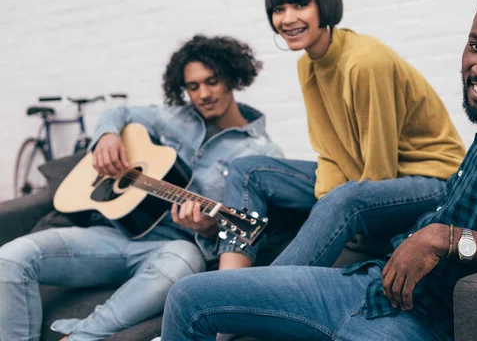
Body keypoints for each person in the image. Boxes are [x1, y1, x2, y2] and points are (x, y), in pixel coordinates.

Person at [160, 0, 477, 341]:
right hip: (369, 284)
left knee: (346, 200)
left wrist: (444, 239)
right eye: (475, 46)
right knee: (188, 297)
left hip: (419, 319)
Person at [0, 34, 283, 341]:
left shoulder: (262, 154)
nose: (203, 94)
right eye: (193, 86)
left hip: (171, 248)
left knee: (184, 260)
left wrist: (208, 231)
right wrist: (107, 136)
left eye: (212, 81)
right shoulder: (174, 118)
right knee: (11, 259)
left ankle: (82, 335)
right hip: (109, 233)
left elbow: (240, 236)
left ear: (231, 77)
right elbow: (117, 113)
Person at [217, 0, 465, 268]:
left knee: (344, 199)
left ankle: (261, 292)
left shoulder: (364, 61)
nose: (287, 19)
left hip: (431, 179)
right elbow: (330, 151)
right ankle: (228, 279)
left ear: (325, 4)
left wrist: (333, 207)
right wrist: (324, 201)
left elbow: (380, 163)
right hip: (360, 174)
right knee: (247, 171)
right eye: (278, 9)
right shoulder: (307, 65)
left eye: (299, 5)